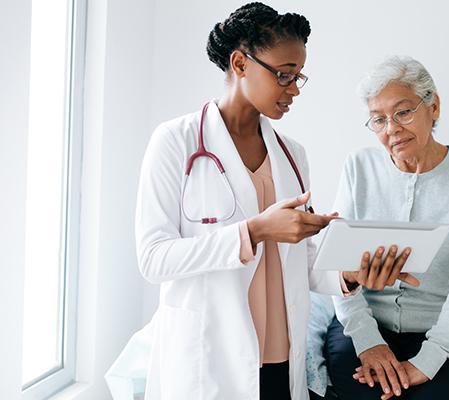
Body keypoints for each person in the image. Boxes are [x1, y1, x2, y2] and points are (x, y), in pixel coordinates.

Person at [130, 4, 417, 400]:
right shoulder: (175, 142)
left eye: (299, 76)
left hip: (279, 358)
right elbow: (153, 258)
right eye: (284, 74)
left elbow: (299, 264)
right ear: (240, 62)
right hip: (209, 356)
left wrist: (351, 275)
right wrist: (255, 230)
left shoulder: (293, 155)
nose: (294, 88)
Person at [312, 56, 449, 400]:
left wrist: (430, 358)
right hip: (362, 328)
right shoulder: (358, 166)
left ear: (434, 106)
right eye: (378, 119)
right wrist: (368, 343)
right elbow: (336, 266)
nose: (391, 128)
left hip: (442, 335)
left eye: (403, 112)